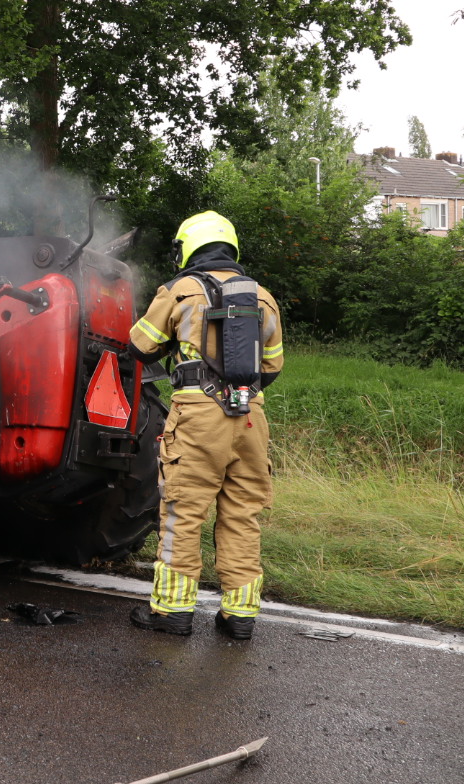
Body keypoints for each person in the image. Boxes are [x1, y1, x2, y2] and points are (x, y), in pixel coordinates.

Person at [126, 211, 284, 640]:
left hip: (197, 417)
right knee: (242, 515)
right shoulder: (264, 298)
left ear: (188, 247)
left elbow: (141, 345)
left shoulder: (180, 291)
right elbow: (272, 367)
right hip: (251, 418)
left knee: (184, 511)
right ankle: (240, 617)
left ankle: (173, 612)